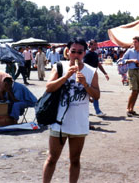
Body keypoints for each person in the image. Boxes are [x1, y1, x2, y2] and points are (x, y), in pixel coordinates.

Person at [42, 38, 100, 183]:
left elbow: (97, 95)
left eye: (79, 52)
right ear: (68, 52)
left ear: (84, 53)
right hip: (59, 121)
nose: (76, 55)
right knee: (52, 158)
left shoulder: (91, 71)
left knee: (75, 160)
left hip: (79, 123)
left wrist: (85, 84)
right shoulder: (60, 67)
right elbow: (49, 87)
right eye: (73, 51)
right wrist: (66, 76)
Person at [122, 36, 139, 117]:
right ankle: (128, 109)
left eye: (135, 42)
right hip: (132, 71)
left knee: (137, 91)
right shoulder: (129, 51)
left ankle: (132, 109)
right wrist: (132, 60)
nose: (134, 43)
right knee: (134, 90)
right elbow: (123, 60)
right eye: (133, 42)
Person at [83, 39, 109, 117]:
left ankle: (97, 111)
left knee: (94, 93)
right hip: (87, 75)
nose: (95, 46)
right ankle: (96, 111)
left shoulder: (95, 54)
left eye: (96, 44)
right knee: (88, 94)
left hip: (93, 75)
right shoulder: (87, 54)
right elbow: (83, 65)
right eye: (94, 45)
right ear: (89, 45)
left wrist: (105, 73)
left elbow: (98, 64)